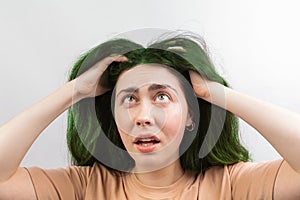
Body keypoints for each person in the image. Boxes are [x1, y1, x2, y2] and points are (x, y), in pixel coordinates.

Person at [0, 31, 299, 200]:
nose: (143, 116)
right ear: (113, 119)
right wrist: (76, 90)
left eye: (162, 97)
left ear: (190, 116)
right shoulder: (83, 187)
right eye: (129, 98)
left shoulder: (231, 185)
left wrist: (214, 93)